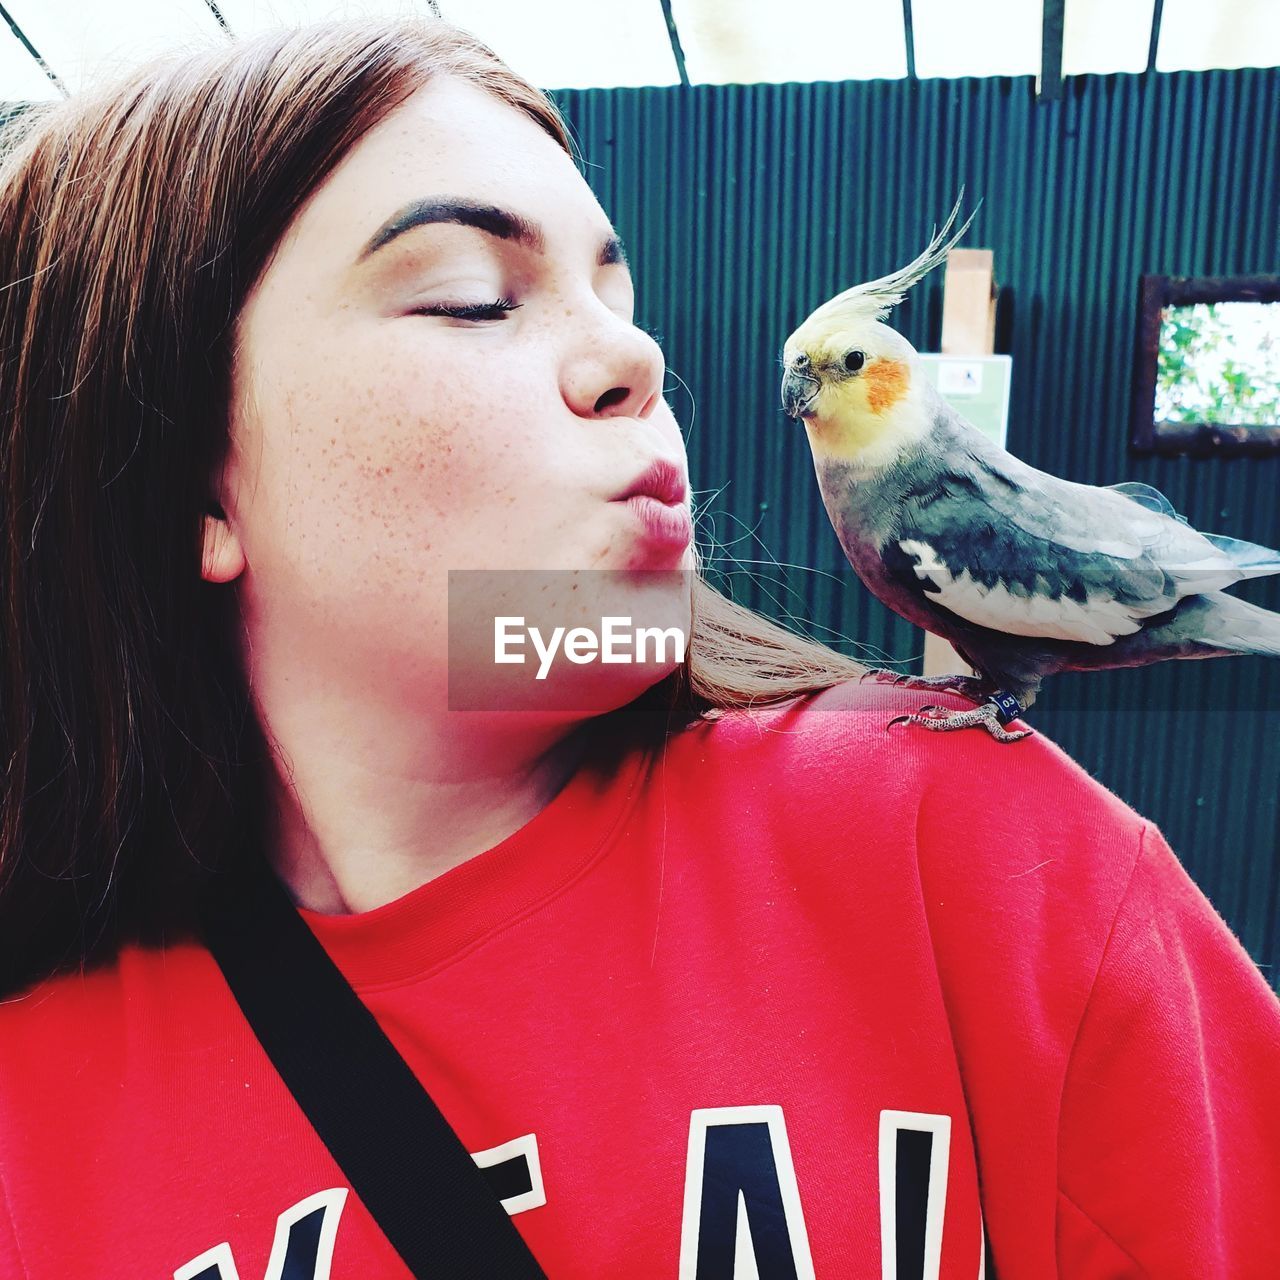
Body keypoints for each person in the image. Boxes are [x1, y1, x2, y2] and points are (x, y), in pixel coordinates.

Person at [0, 16, 1276, 1279]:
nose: (633, 355)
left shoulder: (978, 863)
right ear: (191, 491)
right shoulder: (34, 1117)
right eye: (471, 297)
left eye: (617, 292)